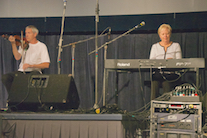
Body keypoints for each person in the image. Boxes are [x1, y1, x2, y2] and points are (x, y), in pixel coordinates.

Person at [1, 25, 50, 93]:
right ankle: (13, 97)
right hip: (22, 71)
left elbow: (46, 65)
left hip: (34, 72)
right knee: (5, 78)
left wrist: (31, 65)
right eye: (26, 33)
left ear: (35, 34)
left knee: (32, 79)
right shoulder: (23, 45)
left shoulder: (41, 46)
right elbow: (17, 57)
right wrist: (13, 44)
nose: (26, 35)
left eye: (29, 33)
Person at [149, 24, 182, 100]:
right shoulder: (155, 46)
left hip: (171, 73)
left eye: (167, 34)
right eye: (163, 34)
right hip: (158, 73)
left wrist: (172, 62)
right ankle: (153, 106)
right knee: (155, 81)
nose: (165, 36)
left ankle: (166, 106)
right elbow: (151, 62)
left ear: (170, 34)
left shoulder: (176, 45)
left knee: (166, 82)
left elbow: (179, 61)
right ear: (159, 35)